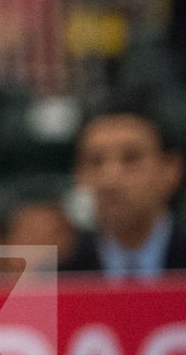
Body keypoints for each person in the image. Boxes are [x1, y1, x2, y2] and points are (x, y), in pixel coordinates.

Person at [61, 104, 186, 278]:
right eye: (96, 162)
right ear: (79, 175)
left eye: (131, 159)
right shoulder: (59, 275)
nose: (110, 181)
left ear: (170, 170)